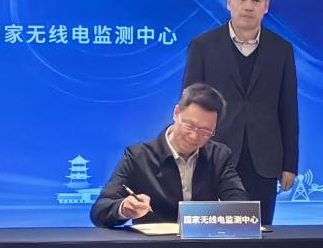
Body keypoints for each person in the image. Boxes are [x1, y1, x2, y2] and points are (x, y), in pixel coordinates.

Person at [182, 0, 298, 225]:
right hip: (211, 157)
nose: (248, 6)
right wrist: (186, 154)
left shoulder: (281, 49)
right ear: (229, 2)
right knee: (210, 234)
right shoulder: (203, 46)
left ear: (266, 6)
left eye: (256, 0)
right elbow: (189, 107)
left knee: (259, 233)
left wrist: (289, 164)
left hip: (264, 161)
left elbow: (288, 110)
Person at [90, 83, 249, 227]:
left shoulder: (219, 156)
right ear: (176, 113)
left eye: (205, 131)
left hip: (203, 244)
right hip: (155, 247)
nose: (194, 136)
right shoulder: (138, 157)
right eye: (189, 126)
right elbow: (100, 210)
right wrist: (124, 208)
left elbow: (239, 201)